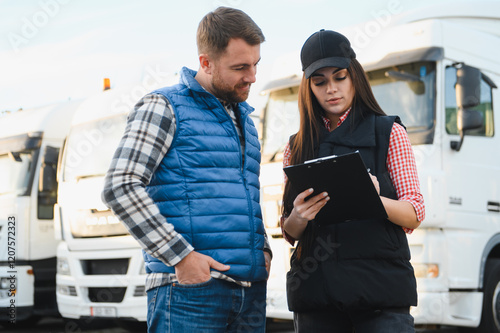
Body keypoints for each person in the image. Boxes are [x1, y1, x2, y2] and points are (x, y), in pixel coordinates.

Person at [102, 7, 271, 333]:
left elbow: (244, 193)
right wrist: (180, 257)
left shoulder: (246, 122)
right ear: (205, 63)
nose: (251, 76)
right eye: (240, 67)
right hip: (188, 293)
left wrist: (262, 249)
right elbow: (120, 186)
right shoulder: (163, 106)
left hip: (250, 295)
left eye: (255, 65)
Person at [281, 29, 425, 332]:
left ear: (355, 76)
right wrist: (297, 216)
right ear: (309, 88)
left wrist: (375, 198)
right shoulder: (296, 146)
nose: (331, 89)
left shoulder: (390, 133)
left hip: (381, 297)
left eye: (339, 77)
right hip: (316, 300)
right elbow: (290, 232)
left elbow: (414, 212)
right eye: (320, 82)